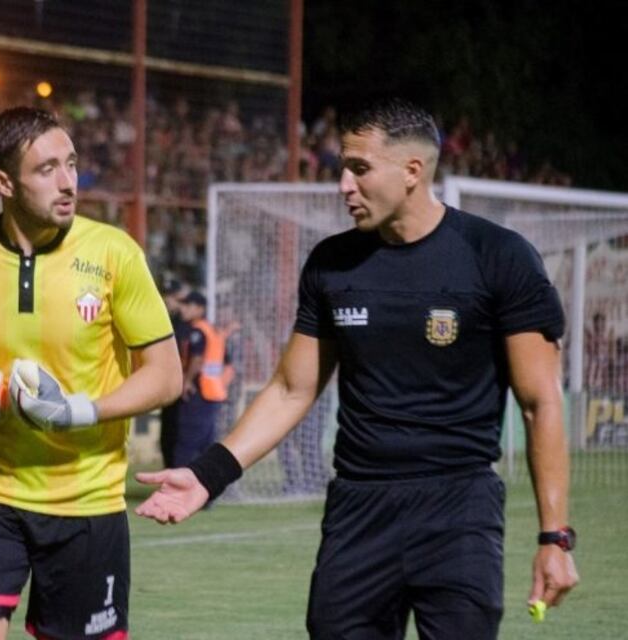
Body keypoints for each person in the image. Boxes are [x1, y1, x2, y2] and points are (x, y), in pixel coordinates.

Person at [135, 98, 579, 639]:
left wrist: (554, 538)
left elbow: (540, 403)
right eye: (342, 167)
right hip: (358, 508)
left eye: (360, 168)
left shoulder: (499, 256)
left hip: (459, 508)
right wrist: (209, 476)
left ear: (413, 171)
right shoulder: (332, 262)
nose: (344, 184)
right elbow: (291, 389)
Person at [0, 106, 182, 640]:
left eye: (71, 164)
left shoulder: (113, 253)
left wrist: (82, 411)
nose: (68, 182)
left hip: (87, 503)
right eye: (47, 169)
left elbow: (167, 376)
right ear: (3, 182)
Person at [172, 290, 233, 467]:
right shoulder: (212, 330)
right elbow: (228, 364)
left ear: (200, 309)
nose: (183, 309)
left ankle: (178, 489)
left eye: (188, 305)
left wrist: (188, 381)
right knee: (205, 445)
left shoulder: (197, 332)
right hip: (213, 394)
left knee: (186, 445)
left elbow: (197, 359)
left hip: (198, 393)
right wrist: (222, 385)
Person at [158, 278, 190, 467]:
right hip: (168, 385)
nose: (168, 300)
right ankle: (169, 471)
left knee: (182, 434)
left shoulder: (186, 323)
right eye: (166, 295)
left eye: (172, 296)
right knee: (168, 433)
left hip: (185, 386)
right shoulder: (163, 320)